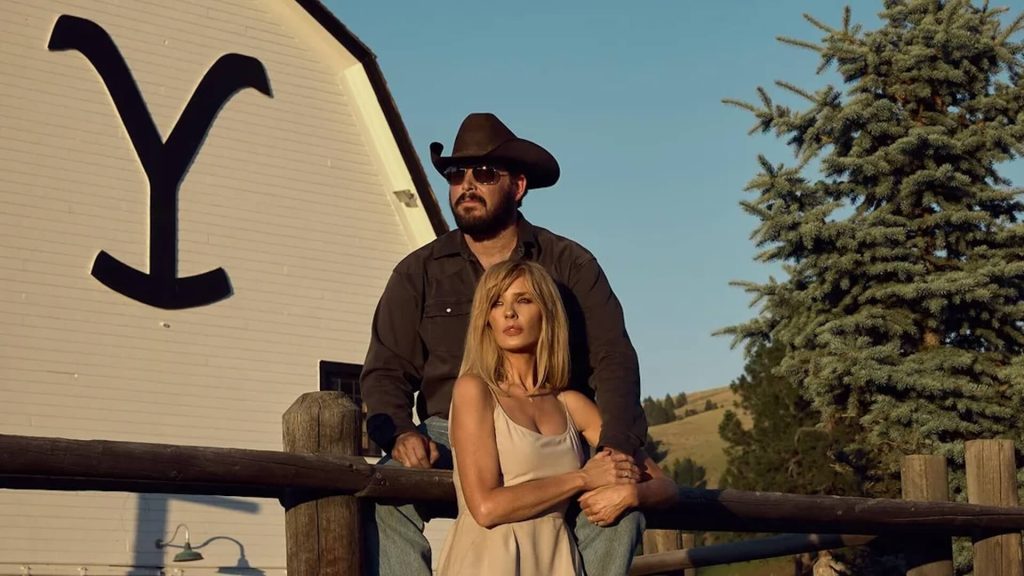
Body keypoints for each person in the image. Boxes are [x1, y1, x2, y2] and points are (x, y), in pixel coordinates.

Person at [361, 112, 649, 576]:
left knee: (620, 512)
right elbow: (385, 369)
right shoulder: (418, 272)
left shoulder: (569, 264)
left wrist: (614, 447)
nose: (466, 185)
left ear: (517, 186)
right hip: (449, 430)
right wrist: (399, 432)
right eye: (456, 175)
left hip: (552, 427)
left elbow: (613, 358)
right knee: (386, 495)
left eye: (484, 174)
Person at [437, 260, 677, 575]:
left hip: (558, 561)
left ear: (547, 313)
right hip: (487, 560)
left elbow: (667, 487)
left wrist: (632, 493)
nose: (509, 312)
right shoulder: (475, 390)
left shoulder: (571, 405)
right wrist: (583, 478)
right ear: (487, 321)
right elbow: (485, 508)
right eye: (497, 303)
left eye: (523, 300)